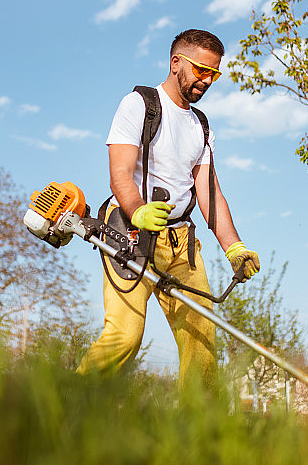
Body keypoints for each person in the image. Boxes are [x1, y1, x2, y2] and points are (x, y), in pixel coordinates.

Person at [76, 29, 260, 388]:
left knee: (202, 341)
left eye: (214, 74)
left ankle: (198, 433)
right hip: (130, 235)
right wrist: (137, 210)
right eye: (200, 70)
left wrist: (234, 247)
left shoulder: (201, 126)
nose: (206, 80)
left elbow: (210, 193)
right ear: (176, 62)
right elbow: (120, 175)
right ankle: (67, 403)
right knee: (125, 338)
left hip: (180, 243)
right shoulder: (139, 104)